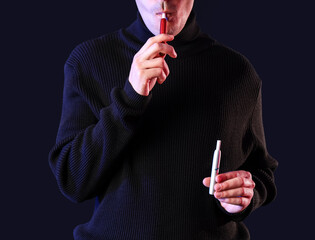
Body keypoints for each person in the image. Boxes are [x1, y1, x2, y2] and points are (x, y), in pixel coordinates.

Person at [49, 0, 278, 239]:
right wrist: (129, 98)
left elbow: (262, 172)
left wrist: (245, 194)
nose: (164, 2)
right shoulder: (88, 62)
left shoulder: (237, 72)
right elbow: (72, 181)